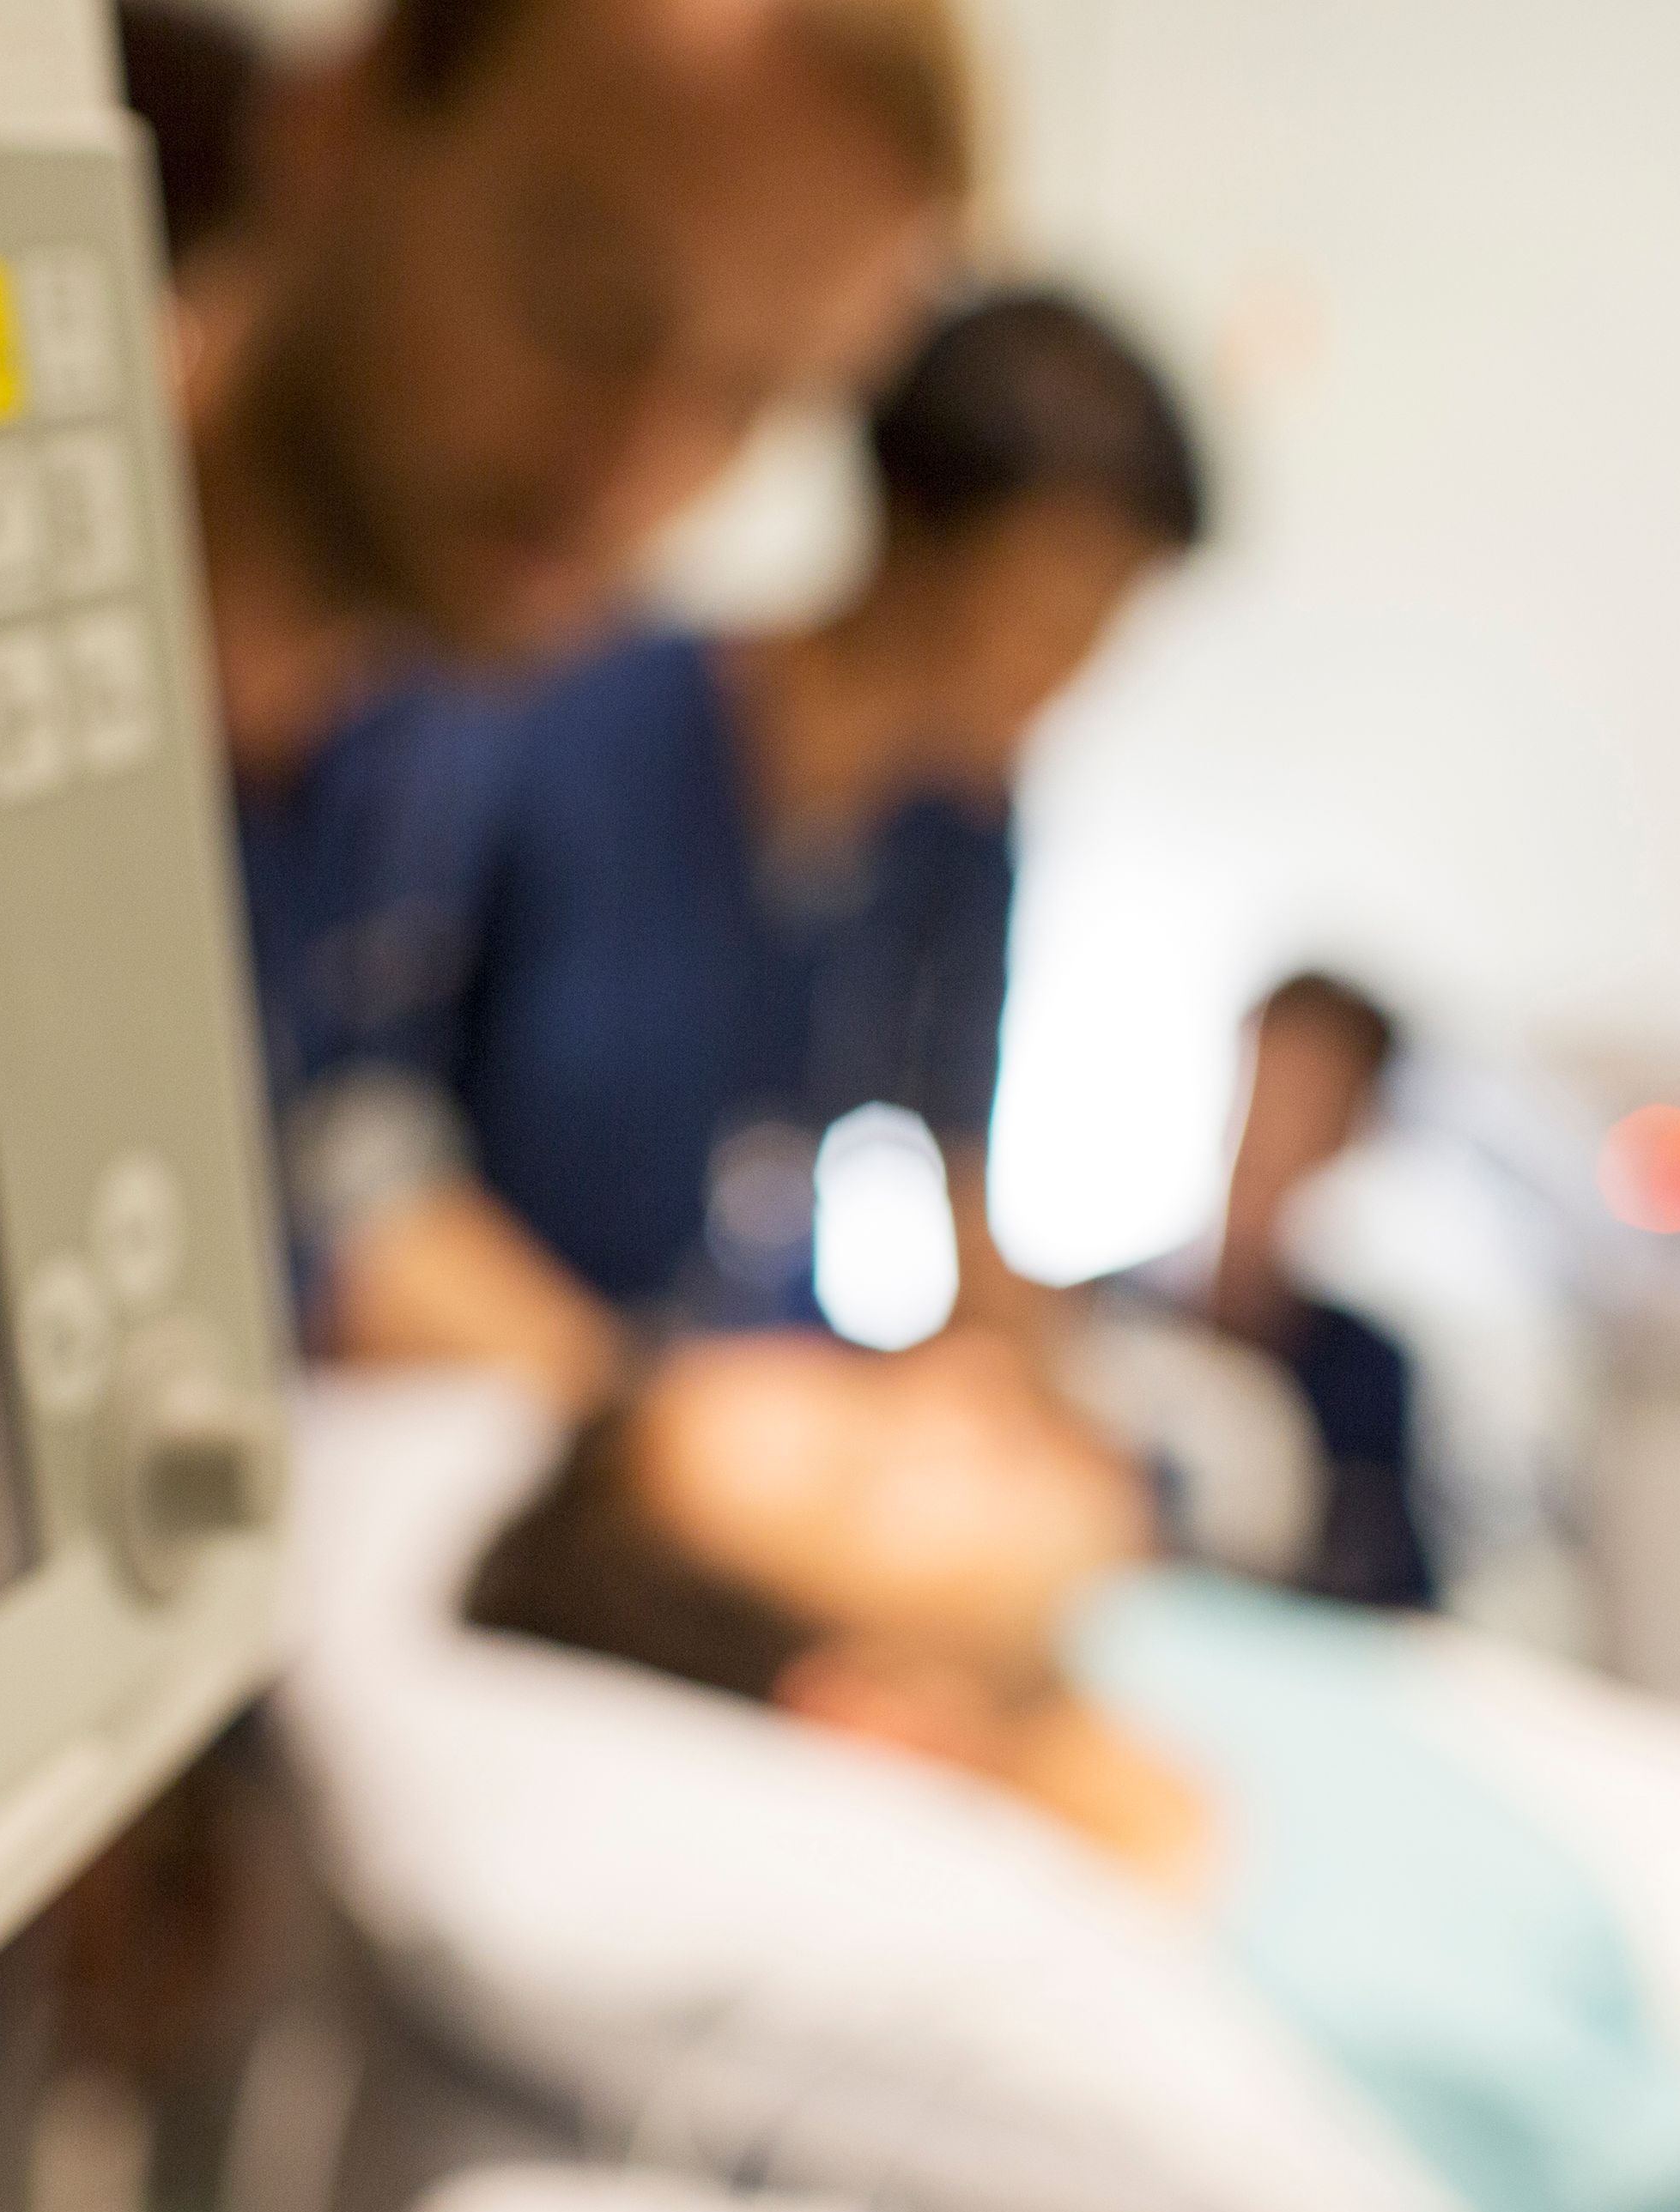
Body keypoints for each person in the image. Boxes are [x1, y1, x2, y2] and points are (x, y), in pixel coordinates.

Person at [465, 1330, 1680, 2212]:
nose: (965, 1394)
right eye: (875, 1472)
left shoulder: (1158, 1637)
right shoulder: (1231, 2015)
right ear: (873, 1711)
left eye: (877, 1387)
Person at [296, 291, 1203, 1417]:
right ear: (917, 534)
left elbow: (969, 1202)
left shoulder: (955, 838)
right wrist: (638, 1418)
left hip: (711, 1398)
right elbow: (350, 1163)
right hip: (460, 1412)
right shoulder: (565, 715)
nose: (1078, 669)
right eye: (1060, 610)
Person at [197, 0, 977, 1148]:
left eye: (746, 394)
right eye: (586, 306)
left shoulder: (416, 741)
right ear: (343, 118)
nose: (633, 467)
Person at [1162, 970, 1435, 1608]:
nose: (1274, 1126)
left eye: (1311, 1102)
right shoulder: (1106, 1317)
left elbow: (1393, 1606)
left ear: (1353, 1132)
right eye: (1268, 1084)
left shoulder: (1367, 1377)